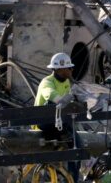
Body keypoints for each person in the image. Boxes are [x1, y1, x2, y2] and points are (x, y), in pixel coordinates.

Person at [34, 52, 81, 182]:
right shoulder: (47, 82)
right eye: (69, 68)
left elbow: (67, 104)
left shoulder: (65, 82)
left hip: (58, 122)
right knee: (73, 139)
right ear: (60, 69)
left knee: (78, 146)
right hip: (44, 122)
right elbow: (54, 98)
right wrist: (70, 97)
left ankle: (72, 179)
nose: (72, 70)